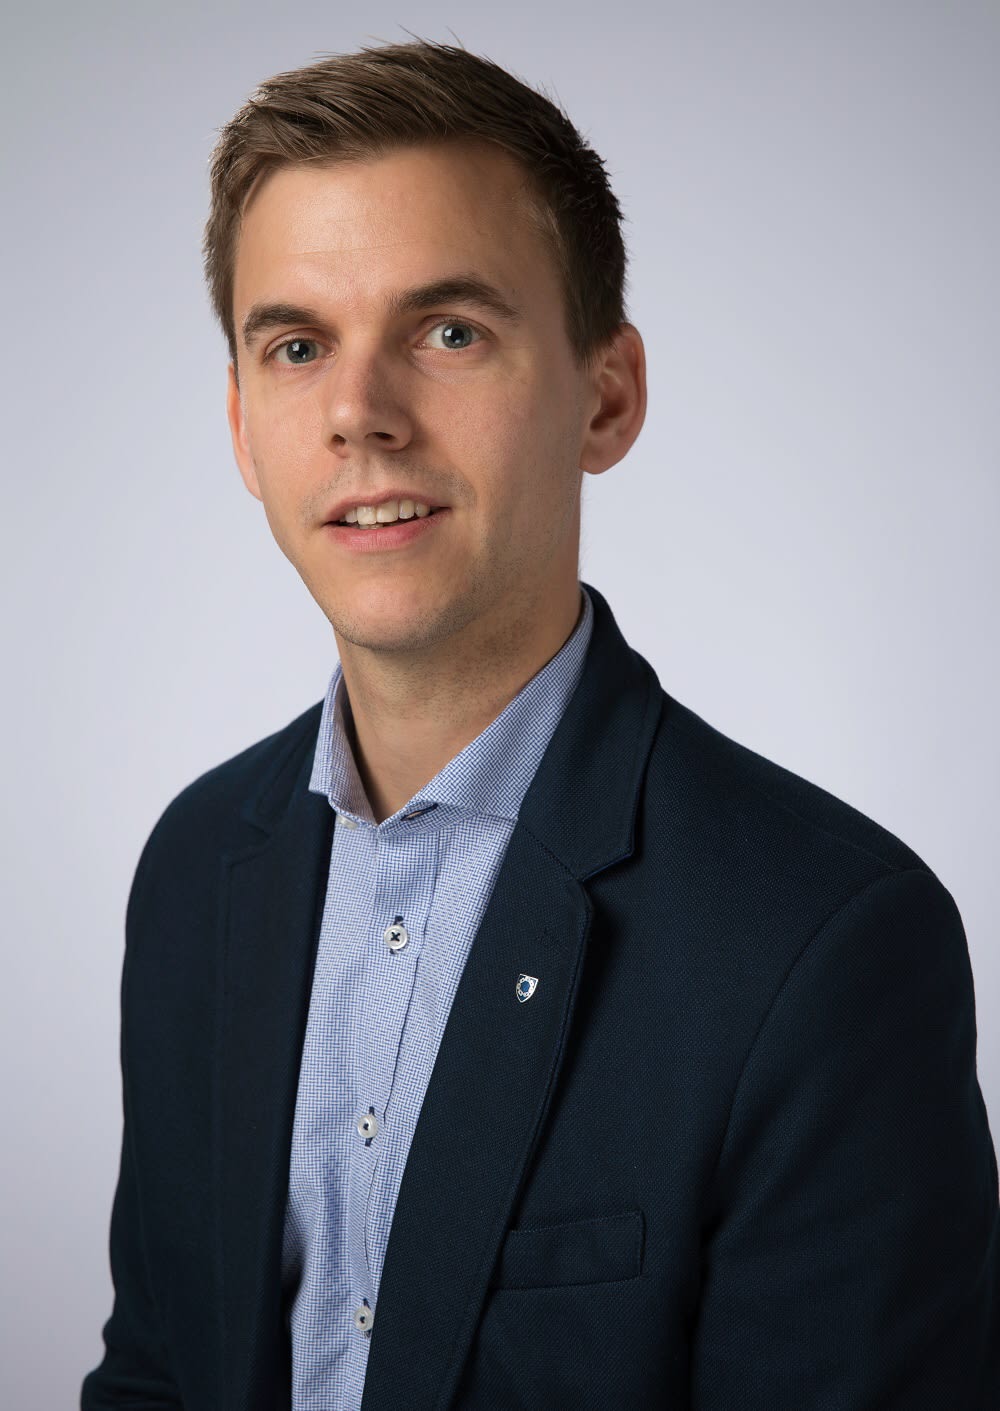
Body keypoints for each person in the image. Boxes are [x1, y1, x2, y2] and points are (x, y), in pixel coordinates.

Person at [81, 38, 999, 1411]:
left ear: (605, 396)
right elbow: (158, 1376)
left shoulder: (828, 944)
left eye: (448, 331)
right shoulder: (197, 866)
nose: (359, 415)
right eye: (298, 346)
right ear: (241, 425)